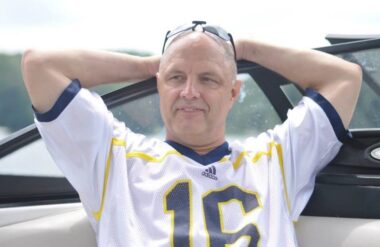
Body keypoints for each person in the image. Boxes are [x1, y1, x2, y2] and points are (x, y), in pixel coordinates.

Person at [21, 21, 362, 246]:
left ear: (232, 93)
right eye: (176, 78)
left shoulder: (275, 160)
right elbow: (40, 65)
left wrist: (239, 48)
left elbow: (345, 77)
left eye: (208, 79)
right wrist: (148, 66)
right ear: (159, 86)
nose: (189, 92)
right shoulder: (116, 159)